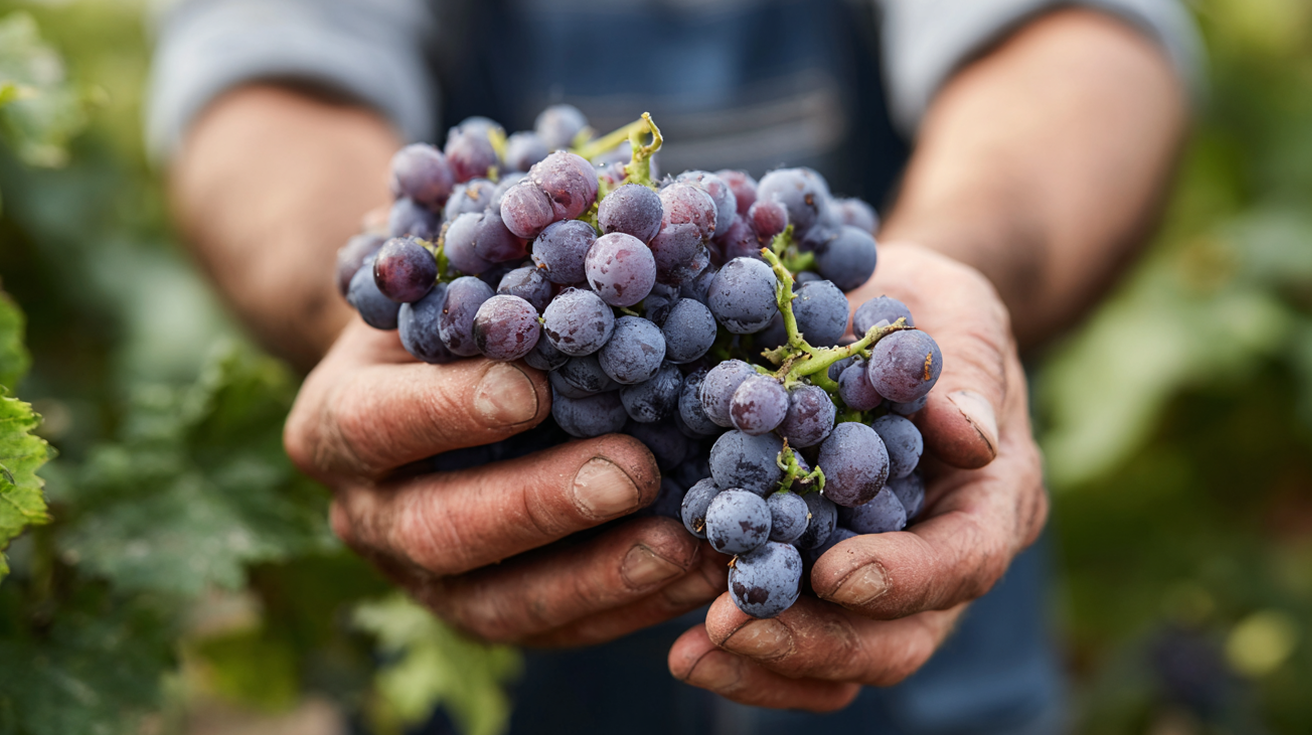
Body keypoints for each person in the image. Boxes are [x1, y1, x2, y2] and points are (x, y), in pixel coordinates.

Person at [149, 0, 1199, 732]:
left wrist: (966, 260)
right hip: (490, 661)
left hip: (926, 660)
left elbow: (1073, 37)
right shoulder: (543, 274)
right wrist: (375, 303)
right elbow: (265, 65)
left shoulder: (796, 373)